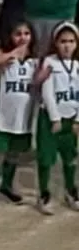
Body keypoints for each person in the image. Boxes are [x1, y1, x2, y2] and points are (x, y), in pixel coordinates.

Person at [0, 20, 36, 208]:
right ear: (10, 37)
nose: (22, 38)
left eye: (26, 33)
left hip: (23, 119)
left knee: (14, 154)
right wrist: (11, 55)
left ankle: (7, 185)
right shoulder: (4, 55)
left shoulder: (35, 61)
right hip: (1, 118)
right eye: (18, 34)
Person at [35, 22, 79, 215]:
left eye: (71, 41)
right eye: (63, 41)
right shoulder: (49, 62)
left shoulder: (78, 65)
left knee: (70, 157)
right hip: (50, 119)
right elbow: (48, 92)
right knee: (46, 158)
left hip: (72, 119)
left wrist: (78, 119)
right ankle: (44, 193)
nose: (67, 46)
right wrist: (55, 118)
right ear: (55, 43)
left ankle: (71, 190)